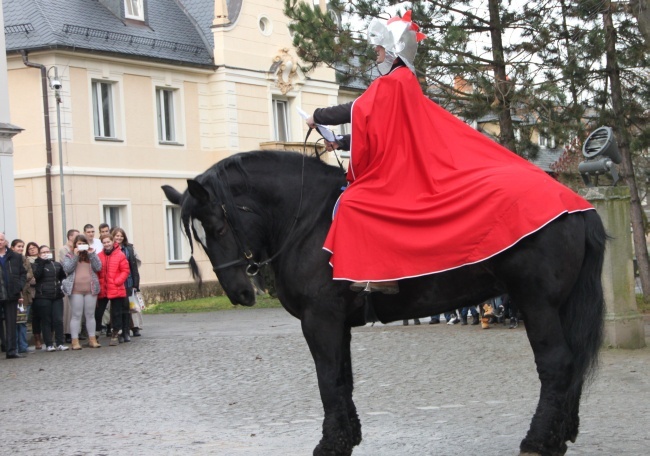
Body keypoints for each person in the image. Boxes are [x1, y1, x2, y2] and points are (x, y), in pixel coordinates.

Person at [306, 10, 593, 295]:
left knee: (356, 202)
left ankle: (385, 275)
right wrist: (341, 143)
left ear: (394, 49)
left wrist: (317, 116)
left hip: (401, 170)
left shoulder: (393, 82)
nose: (377, 53)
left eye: (381, 47)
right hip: (399, 161)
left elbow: (356, 110)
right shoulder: (403, 82)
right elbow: (383, 131)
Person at [62, 234, 102, 349]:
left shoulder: (91, 255)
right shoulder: (69, 255)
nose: (81, 246)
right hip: (75, 290)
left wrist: (92, 254)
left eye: (83, 244)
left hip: (90, 289)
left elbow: (98, 267)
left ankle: (92, 339)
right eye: (79, 244)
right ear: (75, 245)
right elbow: (67, 269)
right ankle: (75, 341)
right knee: (76, 315)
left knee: (90, 315)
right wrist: (75, 256)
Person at [31, 245, 68, 351]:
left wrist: (62, 284)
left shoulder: (56, 264)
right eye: (43, 252)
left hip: (56, 295)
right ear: (39, 254)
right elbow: (37, 276)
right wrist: (42, 262)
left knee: (58, 319)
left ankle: (60, 343)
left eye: (47, 251)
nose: (46, 253)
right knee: (46, 320)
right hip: (42, 296)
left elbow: (62, 276)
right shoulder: (36, 264)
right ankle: (49, 344)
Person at [96, 234, 130, 346]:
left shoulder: (120, 255)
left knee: (116, 312)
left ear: (112, 242)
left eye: (108, 242)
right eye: (104, 242)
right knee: (98, 312)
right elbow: (96, 271)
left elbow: (125, 270)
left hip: (116, 287)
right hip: (103, 288)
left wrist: (117, 281)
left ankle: (115, 334)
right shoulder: (99, 255)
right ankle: (96, 333)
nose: (107, 244)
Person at [0, 232, 28, 358]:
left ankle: (11, 351)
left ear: (5, 241)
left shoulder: (15, 256)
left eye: (1, 239)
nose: (0, 241)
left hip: (11, 293)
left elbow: (23, 273)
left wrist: (19, 286)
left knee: (11, 323)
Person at [112, 227, 142, 338]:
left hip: (128, 281)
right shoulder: (110, 249)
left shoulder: (129, 248)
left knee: (127, 308)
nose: (119, 238)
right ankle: (118, 332)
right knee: (117, 309)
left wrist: (136, 284)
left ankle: (126, 332)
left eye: (121, 236)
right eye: (117, 236)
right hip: (116, 282)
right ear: (113, 237)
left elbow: (134, 267)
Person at [10, 239, 35, 354]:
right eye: (18, 246)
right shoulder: (9, 259)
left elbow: (30, 273)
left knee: (23, 321)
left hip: (25, 294)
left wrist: (23, 276)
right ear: (12, 247)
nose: (20, 248)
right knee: (14, 322)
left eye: (22, 246)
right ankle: (14, 346)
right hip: (14, 295)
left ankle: (23, 346)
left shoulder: (25, 259)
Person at [59, 228, 79, 344]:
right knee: (68, 310)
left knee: (76, 311)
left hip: (79, 281)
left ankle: (77, 332)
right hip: (68, 281)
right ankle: (68, 333)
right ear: (70, 237)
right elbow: (65, 266)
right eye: (76, 236)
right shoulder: (64, 249)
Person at [24, 241, 41, 349]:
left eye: (34, 247)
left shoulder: (43, 260)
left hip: (42, 291)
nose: (33, 249)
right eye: (30, 248)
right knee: (33, 317)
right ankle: (37, 339)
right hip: (30, 292)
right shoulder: (26, 261)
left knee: (42, 316)